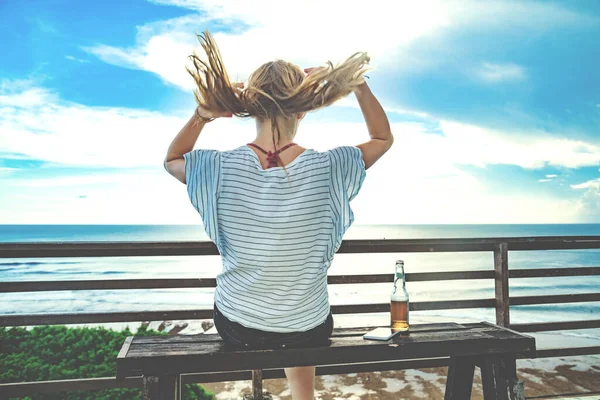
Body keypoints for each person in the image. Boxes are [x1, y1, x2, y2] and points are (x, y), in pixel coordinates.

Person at [164, 30, 393, 400]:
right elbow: (382, 138)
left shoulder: (218, 169)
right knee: (299, 319)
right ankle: (304, 396)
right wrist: (358, 87)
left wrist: (201, 116)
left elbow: (172, 160)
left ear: (249, 108)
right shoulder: (331, 166)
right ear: (304, 108)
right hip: (307, 327)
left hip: (238, 325)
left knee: (272, 313)